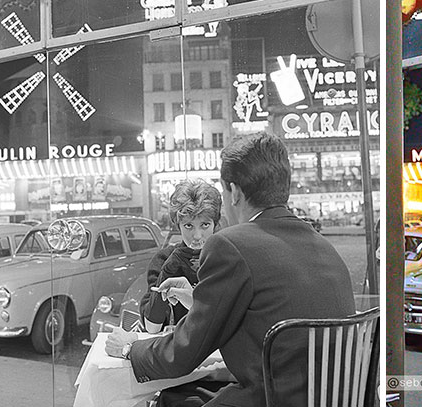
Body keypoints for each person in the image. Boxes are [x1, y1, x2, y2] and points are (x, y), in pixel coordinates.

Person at [105, 133, 356, 407]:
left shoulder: (231, 245)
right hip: (331, 397)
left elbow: (182, 354)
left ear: (234, 192)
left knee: (166, 400)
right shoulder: (323, 246)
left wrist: (130, 348)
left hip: (270, 400)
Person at [139, 178, 222, 334]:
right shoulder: (164, 259)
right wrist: (167, 272)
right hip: (180, 350)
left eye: (205, 225)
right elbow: (152, 327)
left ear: (215, 224)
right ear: (178, 226)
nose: (197, 236)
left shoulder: (228, 259)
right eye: (188, 225)